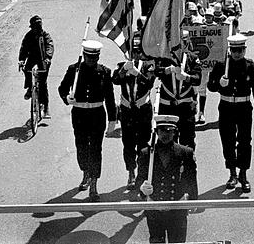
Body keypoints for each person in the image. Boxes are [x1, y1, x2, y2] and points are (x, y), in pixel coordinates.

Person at [207, 35, 254, 193]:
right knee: (228, 141)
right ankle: (232, 173)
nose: (237, 53)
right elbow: (210, 86)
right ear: (230, 50)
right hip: (226, 107)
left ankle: (243, 174)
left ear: (244, 50)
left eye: (240, 50)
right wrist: (219, 84)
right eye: (234, 50)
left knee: (244, 141)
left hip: (243, 108)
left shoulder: (250, 66)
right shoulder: (222, 66)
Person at [58, 40, 117, 201]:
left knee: (96, 149)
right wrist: (67, 97)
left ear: (98, 57)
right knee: (82, 147)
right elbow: (62, 88)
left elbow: (110, 97)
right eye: (89, 57)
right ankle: (85, 172)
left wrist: (113, 119)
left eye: (95, 58)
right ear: (84, 55)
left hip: (97, 114)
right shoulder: (74, 70)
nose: (92, 61)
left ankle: (94, 184)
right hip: (80, 114)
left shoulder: (105, 72)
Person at [137, 114, 198, 244]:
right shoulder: (146, 154)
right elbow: (140, 179)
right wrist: (142, 188)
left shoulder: (185, 153)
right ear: (156, 132)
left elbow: (191, 179)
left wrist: (193, 200)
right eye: (163, 130)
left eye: (170, 131)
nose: (166, 134)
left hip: (177, 210)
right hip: (155, 210)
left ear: (175, 132)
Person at [112, 38, 155, 189]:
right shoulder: (122, 65)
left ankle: (142, 175)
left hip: (143, 110)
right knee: (128, 144)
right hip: (128, 111)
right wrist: (124, 70)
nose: (135, 54)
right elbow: (115, 80)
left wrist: (137, 74)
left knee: (143, 144)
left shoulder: (149, 66)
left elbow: (149, 83)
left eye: (138, 51)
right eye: (133, 51)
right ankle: (131, 172)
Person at [154, 36, 201, 151]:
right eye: (176, 44)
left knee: (187, 140)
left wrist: (187, 77)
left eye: (183, 43)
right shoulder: (164, 57)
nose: (179, 46)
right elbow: (156, 71)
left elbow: (198, 78)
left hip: (185, 106)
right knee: (168, 141)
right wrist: (167, 70)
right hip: (167, 106)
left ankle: (187, 167)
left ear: (186, 44)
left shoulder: (192, 58)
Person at [18, 15, 54, 118]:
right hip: (32, 57)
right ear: (32, 27)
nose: (37, 28)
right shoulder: (28, 36)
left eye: (39, 26)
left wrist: (48, 57)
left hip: (43, 59)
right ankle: (30, 88)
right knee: (26, 69)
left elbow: (49, 46)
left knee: (42, 84)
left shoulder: (45, 35)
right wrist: (21, 60)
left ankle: (46, 108)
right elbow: (24, 48)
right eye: (35, 26)